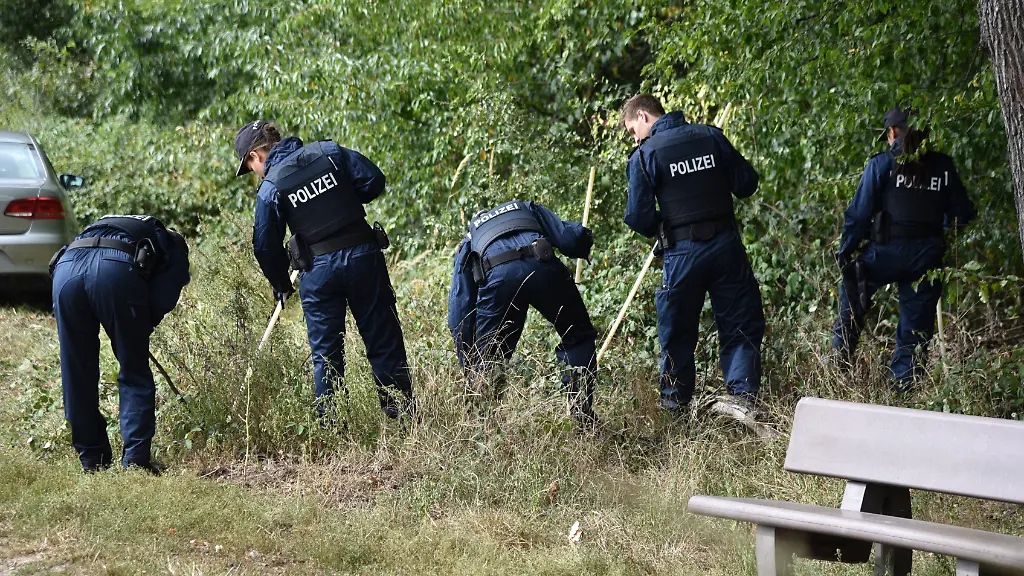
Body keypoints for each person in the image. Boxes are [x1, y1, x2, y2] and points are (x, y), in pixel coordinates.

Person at [233, 120, 414, 419]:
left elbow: (265, 245)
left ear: (255, 155)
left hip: (318, 272)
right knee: (383, 340)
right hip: (363, 257)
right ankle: (403, 418)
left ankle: (332, 429)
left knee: (327, 356)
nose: (255, 172)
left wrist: (281, 284)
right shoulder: (328, 152)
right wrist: (340, 197)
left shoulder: (271, 187)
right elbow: (373, 180)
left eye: (251, 166)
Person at [619, 94, 765, 415]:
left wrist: (663, 225)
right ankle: (745, 400)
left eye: (632, 131)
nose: (635, 138)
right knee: (740, 323)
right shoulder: (710, 136)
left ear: (643, 116)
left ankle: (676, 409)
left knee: (678, 331)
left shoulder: (646, 154)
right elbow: (746, 183)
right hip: (726, 246)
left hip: (682, 253)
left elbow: (638, 216)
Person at [833, 107, 975, 389]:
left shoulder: (882, 164)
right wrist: (938, 233)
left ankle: (838, 368)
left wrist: (845, 252)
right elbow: (963, 214)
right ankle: (903, 391)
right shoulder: (943, 167)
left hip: (884, 253)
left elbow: (859, 215)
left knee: (852, 291)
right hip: (926, 258)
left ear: (892, 132)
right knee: (914, 332)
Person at [51, 214, 190, 474]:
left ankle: (92, 460)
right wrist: (143, 324)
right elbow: (165, 295)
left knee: (76, 372)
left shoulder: (118, 225)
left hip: (66, 268)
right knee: (133, 369)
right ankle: (135, 461)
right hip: (114, 270)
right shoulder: (174, 246)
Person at [447, 199, 597, 423]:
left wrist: (469, 360)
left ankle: (483, 427)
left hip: (498, 278)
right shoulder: (524, 207)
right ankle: (581, 411)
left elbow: (460, 305)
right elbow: (569, 237)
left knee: (488, 361)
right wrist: (585, 242)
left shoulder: (471, 237)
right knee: (578, 335)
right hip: (543, 263)